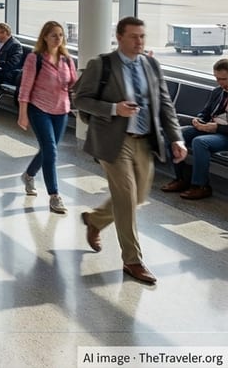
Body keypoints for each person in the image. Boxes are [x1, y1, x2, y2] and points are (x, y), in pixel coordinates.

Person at [73, 16, 185, 285]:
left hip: (143, 139)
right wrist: (114, 109)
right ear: (120, 37)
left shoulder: (151, 64)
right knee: (126, 195)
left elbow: (165, 103)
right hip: (114, 139)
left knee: (139, 195)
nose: (139, 42)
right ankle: (132, 260)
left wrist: (176, 138)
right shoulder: (102, 65)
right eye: (134, 36)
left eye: (142, 36)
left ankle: (95, 220)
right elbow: (80, 99)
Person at [16, 21, 78, 214]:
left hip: (61, 111)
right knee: (51, 151)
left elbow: (74, 85)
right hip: (39, 109)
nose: (58, 38)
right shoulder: (35, 59)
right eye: (54, 35)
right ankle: (54, 196)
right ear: (45, 37)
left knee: (47, 150)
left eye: (60, 35)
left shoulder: (67, 60)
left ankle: (28, 175)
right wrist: (23, 113)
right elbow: (25, 88)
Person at [163, 58, 228, 200]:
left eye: (223, 79)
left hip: (224, 133)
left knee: (200, 142)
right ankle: (181, 178)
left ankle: (201, 186)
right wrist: (198, 119)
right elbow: (205, 112)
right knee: (175, 134)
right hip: (209, 127)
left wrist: (217, 127)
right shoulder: (218, 91)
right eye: (217, 78)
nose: (220, 82)